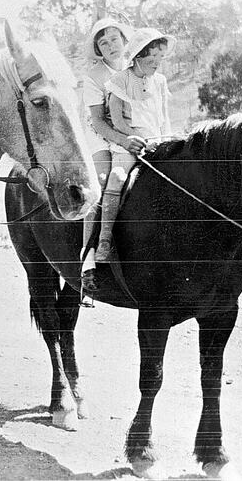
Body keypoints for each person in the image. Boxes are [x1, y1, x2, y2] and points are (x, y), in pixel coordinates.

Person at [97, 27, 176, 261]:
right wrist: (137, 139)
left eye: (161, 57)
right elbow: (118, 121)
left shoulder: (159, 81)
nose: (157, 62)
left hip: (157, 143)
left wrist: (166, 141)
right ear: (139, 55)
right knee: (117, 177)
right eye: (153, 57)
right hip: (129, 144)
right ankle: (104, 239)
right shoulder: (120, 80)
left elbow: (164, 117)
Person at [79, 18, 135, 289]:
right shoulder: (94, 77)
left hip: (131, 131)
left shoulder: (137, 67)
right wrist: (123, 140)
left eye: (114, 39)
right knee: (101, 182)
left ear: (124, 41)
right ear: (98, 50)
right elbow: (98, 121)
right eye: (103, 43)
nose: (110, 46)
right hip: (99, 134)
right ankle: (88, 256)